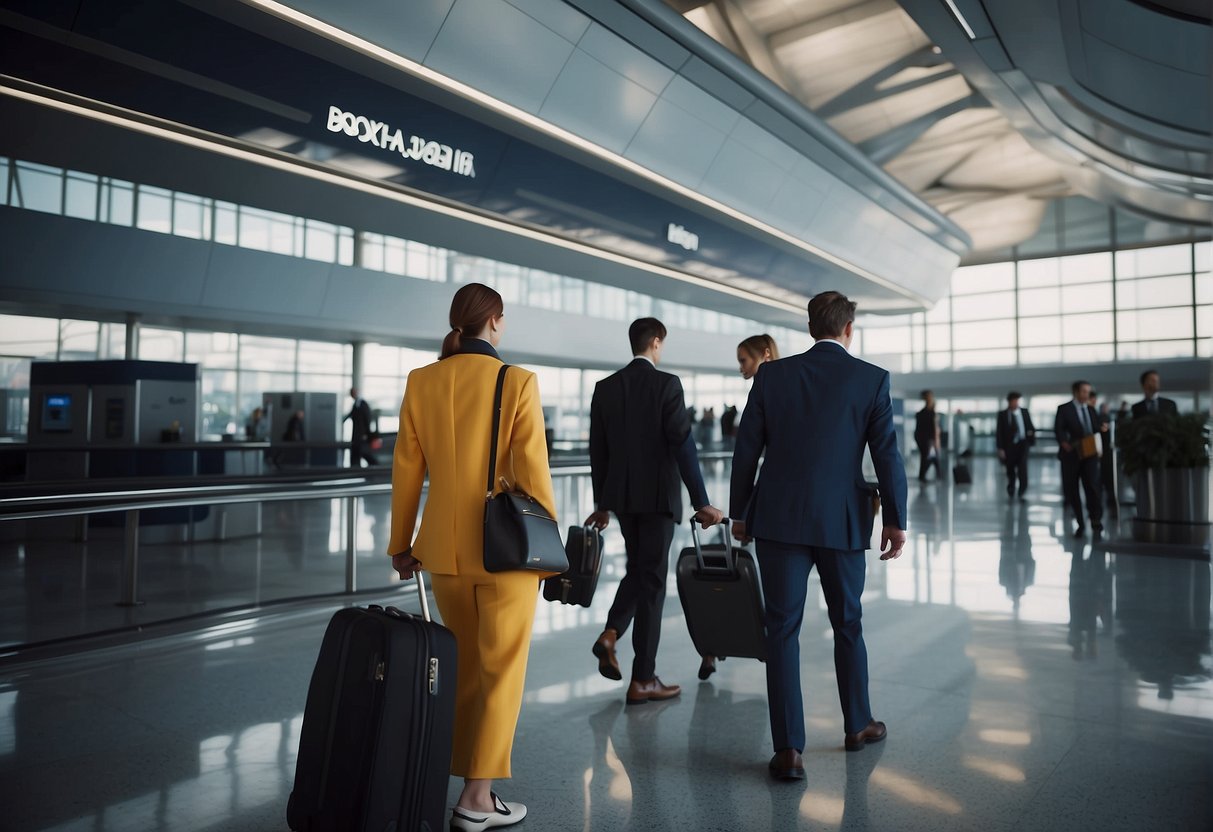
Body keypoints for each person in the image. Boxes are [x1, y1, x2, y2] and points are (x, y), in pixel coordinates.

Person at [388, 282, 554, 832]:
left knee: (459, 671)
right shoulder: (517, 381)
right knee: (501, 670)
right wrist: (550, 556)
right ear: (496, 322)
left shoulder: (422, 381)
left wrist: (400, 543)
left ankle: (462, 781)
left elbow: (407, 472)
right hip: (505, 552)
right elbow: (533, 478)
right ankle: (476, 799)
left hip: (441, 552)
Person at [730, 290, 907, 781]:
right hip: (842, 519)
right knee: (848, 621)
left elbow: (747, 451)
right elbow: (887, 455)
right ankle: (857, 724)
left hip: (779, 519)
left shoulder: (771, 376)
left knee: (781, 629)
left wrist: (741, 512)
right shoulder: (871, 379)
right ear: (849, 328)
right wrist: (895, 518)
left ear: (811, 327)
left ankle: (788, 750)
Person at [586, 317, 724, 705]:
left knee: (641, 570)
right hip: (659, 499)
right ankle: (643, 677)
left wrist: (603, 505)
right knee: (652, 582)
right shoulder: (667, 385)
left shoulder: (606, 388)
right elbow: (683, 443)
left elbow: (599, 451)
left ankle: (611, 634)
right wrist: (701, 500)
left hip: (624, 500)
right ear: (657, 343)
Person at [697, 333, 781, 681]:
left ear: (763, 355)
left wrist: (740, 515)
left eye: (744, 360)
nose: (741, 368)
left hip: (768, 504)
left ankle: (717, 643)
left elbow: (745, 457)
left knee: (748, 580)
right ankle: (727, 644)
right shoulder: (795, 385)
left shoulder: (764, 388)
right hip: (790, 506)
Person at [1054, 380, 1107, 538]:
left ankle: (1095, 518)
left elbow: (1095, 427)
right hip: (1072, 455)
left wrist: (1102, 428)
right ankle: (1080, 522)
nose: (1087, 395)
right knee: (1072, 489)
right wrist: (1064, 442)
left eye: (1088, 392)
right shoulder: (1064, 409)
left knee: (1092, 485)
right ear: (1076, 392)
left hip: (1090, 454)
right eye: (1084, 391)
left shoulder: (1091, 409)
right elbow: (1059, 429)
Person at [995, 392, 1035, 500]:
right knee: (1010, 468)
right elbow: (999, 432)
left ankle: (1022, 490)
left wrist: (1030, 439)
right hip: (1009, 446)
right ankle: (1011, 488)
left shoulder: (1024, 412)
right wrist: (1000, 448)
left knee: (1022, 467)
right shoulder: (1003, 414)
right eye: (1014, 401)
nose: (1015, 403)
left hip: (1023, 444)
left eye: (1017, 401)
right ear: (1009, 402)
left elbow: (1030, 426)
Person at [344, 387, 379, 467]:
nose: (351, 395)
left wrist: (366, 433)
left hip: (362, 433)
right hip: (356, 433)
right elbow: (351, 414)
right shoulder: (356, 404)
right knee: (356, 450)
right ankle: (355, 467)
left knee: (362, 451)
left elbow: (367, 419)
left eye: (352, 393)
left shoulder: (363, 404)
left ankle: (375, 465)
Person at [914, 390, 941, 481]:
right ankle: (923, 476)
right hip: (926, 439)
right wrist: (936, 441)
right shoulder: (925, 413)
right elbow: (935, 428)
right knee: (928, 457)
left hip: (926, 438)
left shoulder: (929, 412)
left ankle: (935, 475)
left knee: (929, 457)